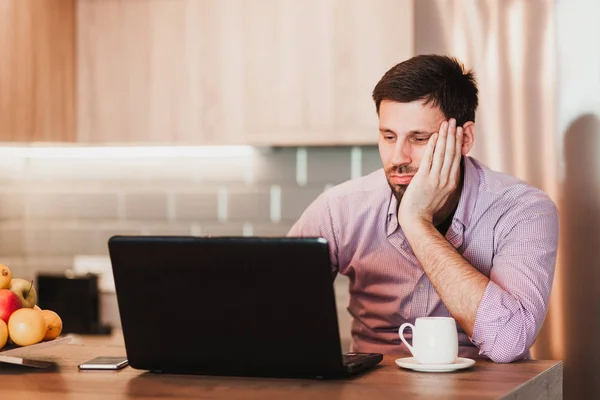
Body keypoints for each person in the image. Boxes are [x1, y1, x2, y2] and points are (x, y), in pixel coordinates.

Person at [287, 54, 559, 363]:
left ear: (465, 138)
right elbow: (269, 302)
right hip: (374, 388)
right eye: (388, 136)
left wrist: (417, 222)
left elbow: (507, 343)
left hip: (486, 389)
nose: (398, 156)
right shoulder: (340, 209)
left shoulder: (524, 210)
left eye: (419, 138)